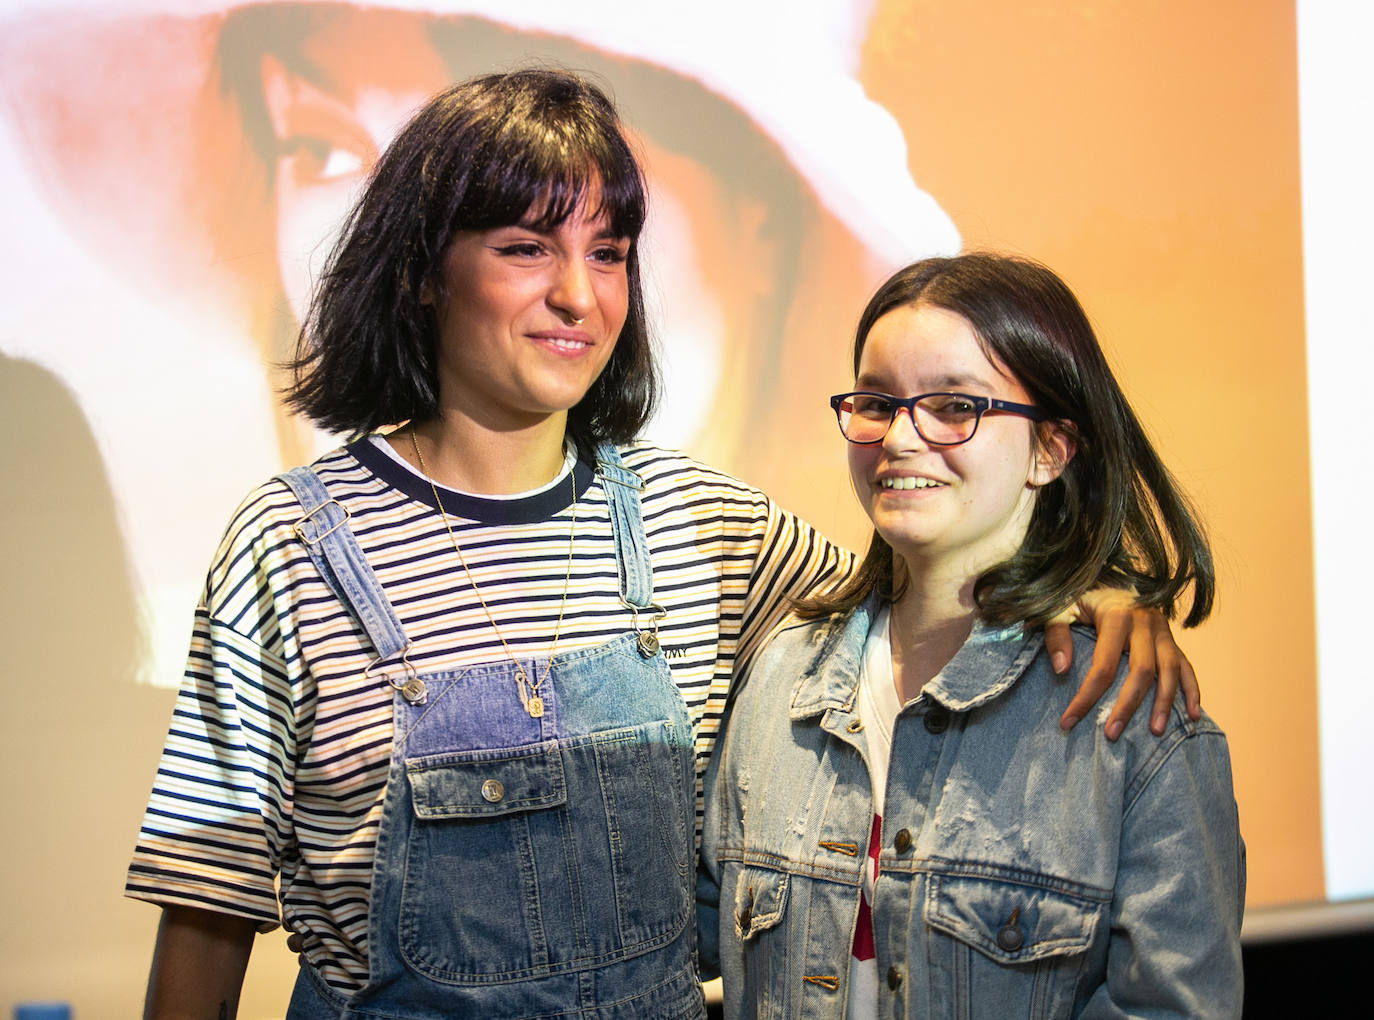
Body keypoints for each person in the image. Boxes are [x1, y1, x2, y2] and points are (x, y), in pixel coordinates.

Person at [126, 74, 1195, 1018]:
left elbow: (921, 610)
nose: (577, 295)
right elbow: (206, 913)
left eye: (608, 253)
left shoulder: (705, 523)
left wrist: (1090, 591)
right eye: (525, 248)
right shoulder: (290, 546)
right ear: (420, 272)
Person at [699, 254, 1244, 1018]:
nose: (900, 437)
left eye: (955, 405)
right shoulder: (777, 679)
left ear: (1051, 449)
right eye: (877, 402)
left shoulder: (1137, 726)